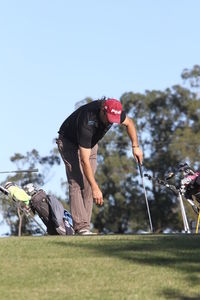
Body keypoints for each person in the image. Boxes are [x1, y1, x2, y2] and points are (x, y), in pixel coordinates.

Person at [56, 98, 143, 235]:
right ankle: (81, 227)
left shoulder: (115, 112)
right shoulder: (87, 120)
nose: (110, 121)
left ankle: (85, 227)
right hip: (69, 141)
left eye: (113, 119)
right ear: (103, 110)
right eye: (108, 118)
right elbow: (84, 160)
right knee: (77, 182)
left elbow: (130, 123)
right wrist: (96, 187)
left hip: (90, 144)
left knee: (89, 184)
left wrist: (135, 146)